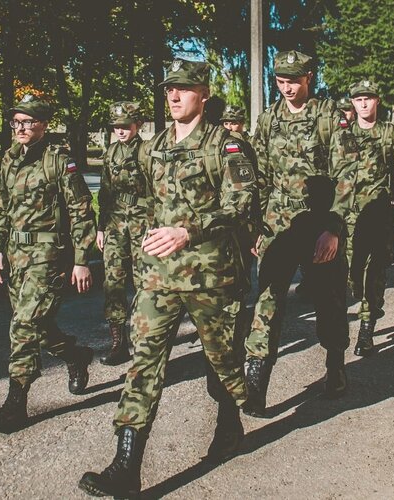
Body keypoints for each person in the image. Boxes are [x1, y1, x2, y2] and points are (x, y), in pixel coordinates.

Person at [79, 58, 259, 497]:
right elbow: (140, 201)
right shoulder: (154, 145)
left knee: (222, 362)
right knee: (144, 365)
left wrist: (188, 230)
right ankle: (126, 466)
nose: (174, 96)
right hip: (159, 277)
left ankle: (230, 422)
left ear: (204, 94)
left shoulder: (226, 145)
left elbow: (243, 203)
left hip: (210, 277)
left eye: (183, 88)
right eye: (168, 90)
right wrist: (139, 243)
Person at [244, 50, 349, 418]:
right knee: (268, 298)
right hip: (278, 223)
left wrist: (334, 228)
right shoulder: (269, 119)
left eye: (293, 80)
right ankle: (256, 382)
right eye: (280, 81)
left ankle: (335, 363)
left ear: (309, 78)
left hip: (320, 222)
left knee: (329, 299)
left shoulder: (327, 116)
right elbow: (257, 177)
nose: (287, 88)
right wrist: (256, 226)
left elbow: (347, 173)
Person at [0, 95, 96, 434]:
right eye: (16, 122)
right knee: (39, 327)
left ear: (44, 124)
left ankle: (15, 404)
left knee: (23, 327)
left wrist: (81, 261)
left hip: (48, 258)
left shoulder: (58, 160)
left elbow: (81, 210)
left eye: (27, 121)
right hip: (16, 258)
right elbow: (0, 205)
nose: (20, 127)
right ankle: (75, 357)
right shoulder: (9, 158)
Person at [329, 79, 394, 357]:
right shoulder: (343, 134)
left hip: (378, 215)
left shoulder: (389, 133)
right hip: (347, 217)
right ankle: (359, 298)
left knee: (374, 273)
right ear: (353, 103)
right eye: (358, 99)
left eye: (368, 98)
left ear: (377, 100)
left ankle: (366, 330)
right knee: (351, 276)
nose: (364, 103)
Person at [96, 101, 150, 366]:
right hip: (115, 224)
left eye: (125, 126)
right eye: (116, 126)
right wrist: (99, 226)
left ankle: (142, 340)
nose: (120, 130)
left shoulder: (147, 152)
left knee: (143, 281)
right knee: (113, 281)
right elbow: (104, 192)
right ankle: (118, 342)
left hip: (142, 224)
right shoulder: (110, 153)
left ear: (137, 125)